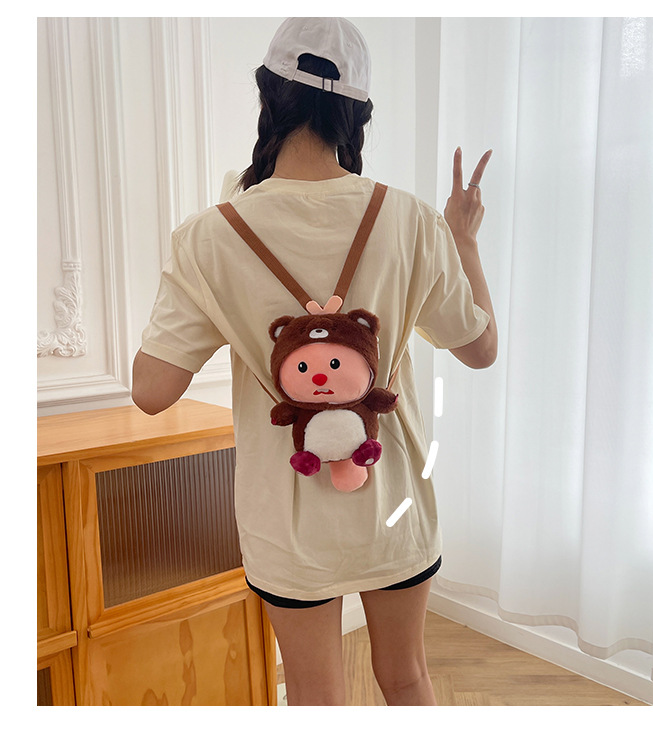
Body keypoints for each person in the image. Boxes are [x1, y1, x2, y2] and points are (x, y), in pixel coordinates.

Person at [132, 17, 497, 706]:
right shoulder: (413, 220)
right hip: (395, 505)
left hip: (284, 518)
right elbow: (480, 350)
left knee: (313, 693)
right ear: (358, 114)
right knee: (407, 676)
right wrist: (464, 241)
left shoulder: (208, 236)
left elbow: (151, 391)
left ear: (267, 94)